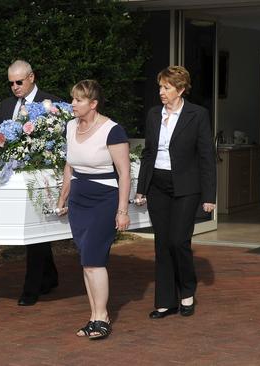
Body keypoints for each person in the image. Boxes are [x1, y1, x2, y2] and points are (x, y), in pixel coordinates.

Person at [135, 65, 216, 320]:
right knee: (162, 244)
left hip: (186, 187)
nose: (161, 91)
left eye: (167, 87)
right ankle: (165, 301)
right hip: (157, 185)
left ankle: (187, 292)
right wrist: (141, 189)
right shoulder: (152, 115)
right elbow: (148, 153)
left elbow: (206, 157)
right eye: (160, 86)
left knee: (178, 241)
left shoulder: (197, 114)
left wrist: (209, 196)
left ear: (180, 90)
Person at [56, 80, 130, 340]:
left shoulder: (113, 130)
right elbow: (69, 166)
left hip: (104, 199)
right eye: (72, 99)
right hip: (79, 199)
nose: (73, 104)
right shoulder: (70, 127)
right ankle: (94, 316)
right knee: (86, 262)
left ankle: (102, 317)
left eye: (78, 100)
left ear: (93, 104)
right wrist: (62, 198)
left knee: (94, 260)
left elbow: (124, 174)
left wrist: (122, 211)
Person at [0, 59, 60, 306]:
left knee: (35, 230)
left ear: (31, 77)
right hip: (14, 178)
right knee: (34, 232)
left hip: (39, 177)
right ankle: (50, 275)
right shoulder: (6, 106)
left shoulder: (49, 103)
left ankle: (31, 288)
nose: (15, 87)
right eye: (11, 83)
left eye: (19, 82)